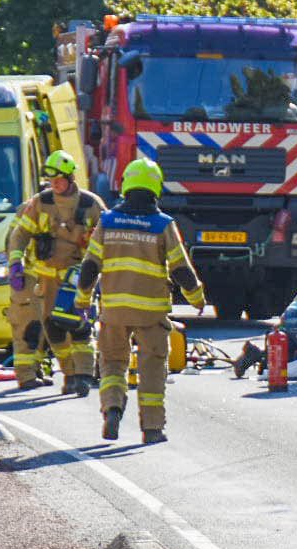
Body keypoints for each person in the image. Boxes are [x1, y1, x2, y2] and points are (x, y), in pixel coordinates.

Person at [76, 158, 206, 444]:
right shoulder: (163, 225)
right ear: (156, 187)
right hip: (151, 313)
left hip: (114, 311)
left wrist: (82, 299)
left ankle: (112, 408)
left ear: (126, 185)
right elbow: (180, 268)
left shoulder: (107, 221)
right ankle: (152, 428)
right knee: (152, 367)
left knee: (112, 363)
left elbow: (89, 267)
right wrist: (197, 297)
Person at [6, 150, 104, 395]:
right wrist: (15, 261)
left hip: (80, 278)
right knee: (53, 328)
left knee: (81, 327)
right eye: (51, 181)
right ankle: (70, 374)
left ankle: (83, 375)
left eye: (58, 180)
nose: (54, 185)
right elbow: (20, 235)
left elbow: (107, 241)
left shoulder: (90, 205)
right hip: (47, 280)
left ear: (71, 177)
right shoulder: (41, 202)